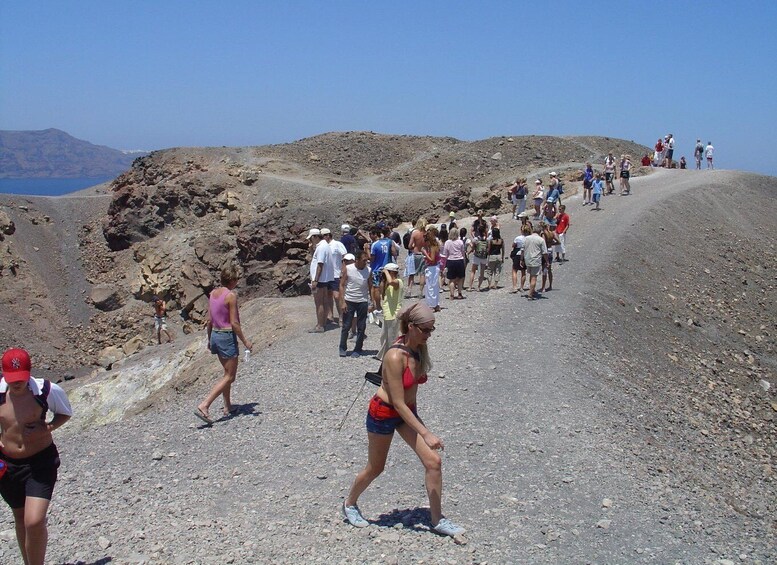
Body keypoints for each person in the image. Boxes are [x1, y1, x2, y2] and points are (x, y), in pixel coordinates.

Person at [343, 303, 465, 537]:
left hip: (405, 415)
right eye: (426, 330)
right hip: (383, 414)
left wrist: (420, 426)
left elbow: (410, 400)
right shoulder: (394, 355)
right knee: (375, 468)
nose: (429, 335)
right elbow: (397, 402)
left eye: (432, 330)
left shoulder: (418, 349)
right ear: (411, 327)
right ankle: (349, 503)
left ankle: (437, 520)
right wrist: (426, 433)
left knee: (433, 462)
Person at [0, 348, 72, 565]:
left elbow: (65, 413)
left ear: (29, 373)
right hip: (8, 465)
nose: (16, 383)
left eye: (20, 378)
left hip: (40, 462)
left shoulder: (45, 390)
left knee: (34, 520)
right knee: (21, 518)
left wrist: (47, 427)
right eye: (11, 379)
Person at [196, 264, 253, 424]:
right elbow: (234, 323)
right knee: (230, 376)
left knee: (226, 373)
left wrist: (209, 340)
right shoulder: (231, 296)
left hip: (214, 334)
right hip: (226, 336)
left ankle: (228, 405)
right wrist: (245, 341)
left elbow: (209, 320)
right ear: (233, 280)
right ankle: (204, 405)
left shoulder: (213, 293)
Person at [339, 252, 371, 358]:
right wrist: (342, 302)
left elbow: (370, 286)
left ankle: (358, 348)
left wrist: (373, 302)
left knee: (361, 326)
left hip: (362, 301)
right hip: (350, 300)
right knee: (346, 325)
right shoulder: (348, 269)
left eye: (367, 260)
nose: (365, 263)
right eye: (364, 260)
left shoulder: (368, 270)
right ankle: (342, 347)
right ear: (357, 260)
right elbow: (342, 285)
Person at [307, 228, 334, 333]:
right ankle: (323, 322)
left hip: (320, 279)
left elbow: (320, 264)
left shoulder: (321, 247)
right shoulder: (324, 245)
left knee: (319, 302)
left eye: (311, 239)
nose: (310, 241)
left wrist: (315, 280)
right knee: (324, 301)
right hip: (324, 278)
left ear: (315, 237)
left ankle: (320, 325)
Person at [377, 263, 403, 360]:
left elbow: (392, 282)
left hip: (394, 314)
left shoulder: (398, 282)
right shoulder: (387, 283)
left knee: (392, 338)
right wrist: (383, 279)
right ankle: (385, 356)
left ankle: (393, 357)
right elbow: (381, 293)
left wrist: (385, 272)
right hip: (387, 313)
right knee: (384, 337)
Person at [370, 225, 396, 314]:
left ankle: (378, 307)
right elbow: (394, 253)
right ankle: (386, 304)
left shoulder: (375, 244)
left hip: (376, 268)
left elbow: (372, 258)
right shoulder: (390, 242)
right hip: (387, 268)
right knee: (387, 287)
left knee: (376, 288)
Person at [324, 228, 347, 326]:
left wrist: (343, 270)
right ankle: (330, 316)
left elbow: (345, 257)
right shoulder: (323, 246)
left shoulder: (337, 244)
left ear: (328, 235)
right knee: (328, 295)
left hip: (336, 273)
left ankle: (341, 316)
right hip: (326, 274)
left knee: (337, 296)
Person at [523, 225, 548, 299]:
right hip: (536, 260)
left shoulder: (526, 238)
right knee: (534, 277)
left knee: (531, 275)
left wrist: (522, 259)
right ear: (540, 231)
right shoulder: (541, 240)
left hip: (527, 259)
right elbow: (544, 252)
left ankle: (532, 290)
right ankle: (530, 294)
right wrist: (547, 261)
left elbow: (522, 249)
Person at [405, 218, 427, 298]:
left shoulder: (415, 233)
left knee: (411, 274)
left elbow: (409, 246)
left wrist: (413, 246)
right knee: (422, 274)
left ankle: (409, 291)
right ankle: (420, 292)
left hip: (415, 254)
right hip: (423, 255)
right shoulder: (426, 234)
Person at [421, 227, 441, 312]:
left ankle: (432, 305)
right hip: (435, 267)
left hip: (432, 268)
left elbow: (432, 259)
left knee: (430, 287)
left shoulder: (432, 247)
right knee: (435, 286)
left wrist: (425, 253)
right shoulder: (435, 245)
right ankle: (436, 304)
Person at [442, 228, 466, 299]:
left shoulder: (447, 242)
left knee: (451, 279)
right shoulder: (460, 242)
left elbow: (445, 254)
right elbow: (463, 252)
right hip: (459, 260)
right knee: (460, 278)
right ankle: (459, 293)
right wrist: (464, 261)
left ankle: (452, 295)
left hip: (450, 261)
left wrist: (444, 264)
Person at [468, 223, 489, 292]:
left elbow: (473, 248)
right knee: (482, 272)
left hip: (476, 256)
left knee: (473, 271)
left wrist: (469, 252)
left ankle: (470, 287)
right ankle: (479, 287)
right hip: (484, 256)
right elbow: (488, 249)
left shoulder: (476, 239)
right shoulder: (487, 239)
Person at [541, 222, 560, 292]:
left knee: (544, 269)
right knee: (549, 269)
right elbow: (558, 242)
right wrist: (552, 243)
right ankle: (550, 285)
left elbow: (543, 243)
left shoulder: (543, 234)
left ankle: (543, 287)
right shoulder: (552, 233)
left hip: (546, 251)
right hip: (550, 250)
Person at [510, 225, 530, 293]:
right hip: (526, 255)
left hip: (518, 254)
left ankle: (515, 286)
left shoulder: (518, 238)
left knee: (514, 270)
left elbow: (513, 245)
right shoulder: (529, 238)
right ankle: (522, 287)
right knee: (523, 271)